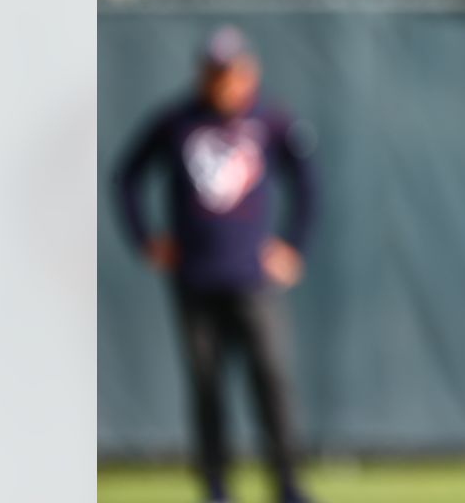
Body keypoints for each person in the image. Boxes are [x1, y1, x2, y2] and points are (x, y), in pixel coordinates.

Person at [116, 25, 315, 503]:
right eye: (216, 72)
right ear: (203, 75)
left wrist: (293, 245)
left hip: (252, 278)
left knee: (270, 379)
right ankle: (215, 487)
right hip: (196, 278)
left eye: (233, 72)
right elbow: (125, 176)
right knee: (207, 385)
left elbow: (308, 180)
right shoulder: (177, 121)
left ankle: (286, 485)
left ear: (250, 73)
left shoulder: (271, 120)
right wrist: (146, 239)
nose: (226, 82)